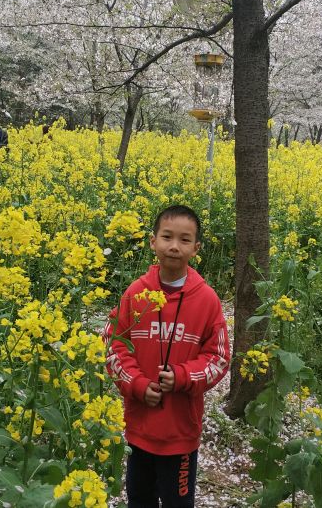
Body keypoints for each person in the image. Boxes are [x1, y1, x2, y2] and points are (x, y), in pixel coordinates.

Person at [103, 205, 230, 508]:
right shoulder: (134, 293)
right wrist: (136, 383)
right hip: (139, 428)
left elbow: (219, 357)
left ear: (196, 248)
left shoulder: (207, 300)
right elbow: (113, 344)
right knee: (139, 500)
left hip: (180, 434)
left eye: (185, 240)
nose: (174, 246)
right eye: (167, 237)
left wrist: (184, 377)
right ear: (153, 241)